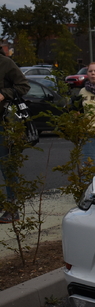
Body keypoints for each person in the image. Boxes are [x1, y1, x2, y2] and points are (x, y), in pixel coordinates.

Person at [0, 45, 30, 224]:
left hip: (3, 124)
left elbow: (24, 86)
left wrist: (4, 94)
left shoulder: (5, 63)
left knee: (7, 165)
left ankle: (13, 209)